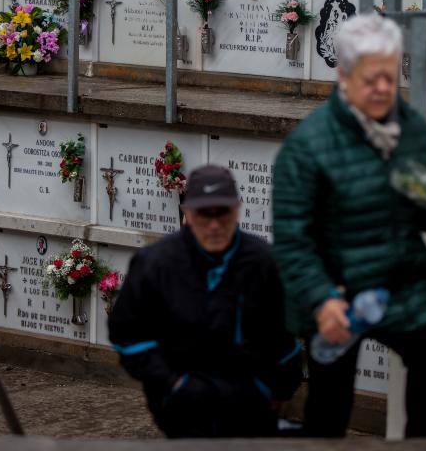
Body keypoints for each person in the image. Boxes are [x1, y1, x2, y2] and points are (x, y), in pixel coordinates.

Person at [273, 14, 426, 438]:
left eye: (389, 75)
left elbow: (419, 203)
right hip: (336, 286)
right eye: (371, 79)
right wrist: (322, 300)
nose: (384, 88)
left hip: (400, 279)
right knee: (331, 403)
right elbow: (293, 242)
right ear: (344, 77)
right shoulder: (307, 148)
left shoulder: (409, 128)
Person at [108, 164, 302, 438]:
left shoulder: (264, 261)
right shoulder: (155, 263)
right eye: (203, 214)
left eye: (222, 213)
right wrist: (172, 384)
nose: (213, 225)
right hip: (182, 403)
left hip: (250, 402)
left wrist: (274, 388)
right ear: (187, 212)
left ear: (237, 209)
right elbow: (127, 334)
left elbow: (283, 335)